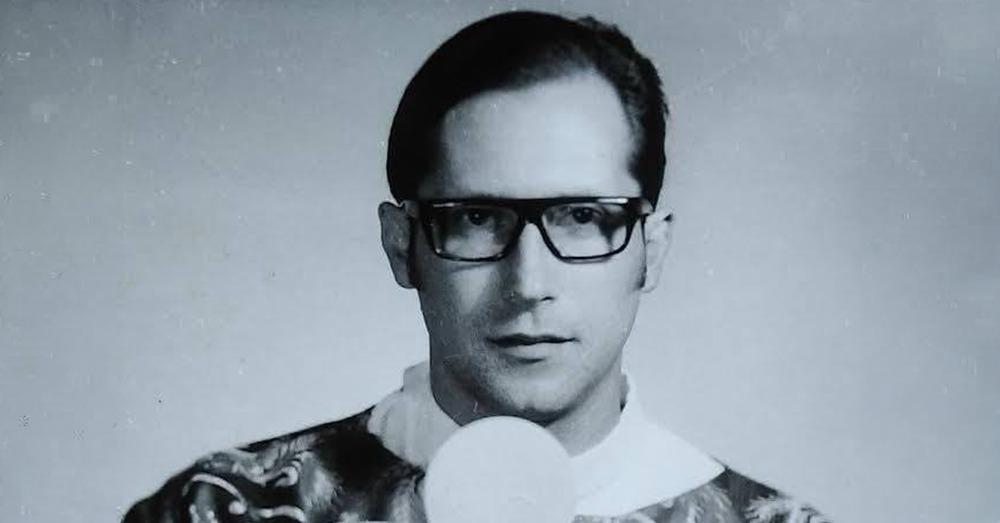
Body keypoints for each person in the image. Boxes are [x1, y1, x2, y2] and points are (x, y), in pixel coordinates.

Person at [124, 10, 829, 523]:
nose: (529, 284)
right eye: (476, 218)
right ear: (401, 244)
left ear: (653, 248)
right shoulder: (224, 510)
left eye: (584, 217)